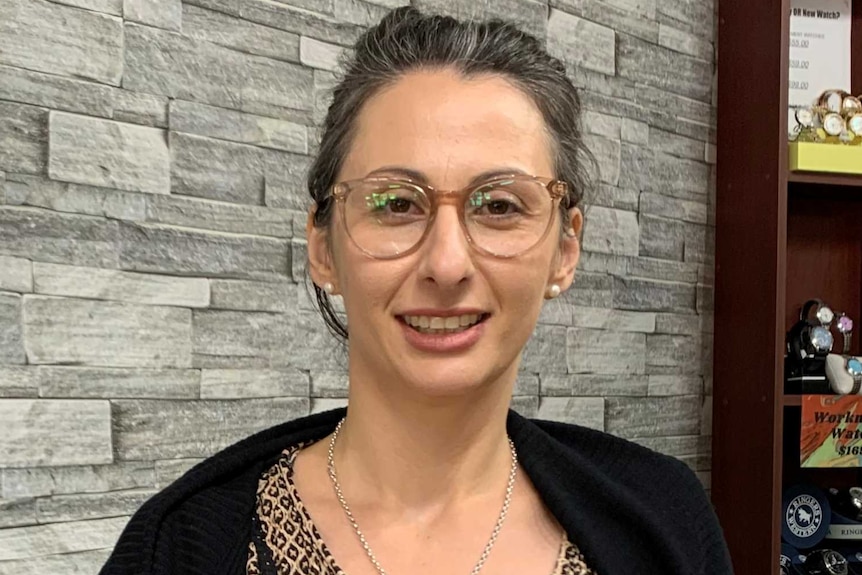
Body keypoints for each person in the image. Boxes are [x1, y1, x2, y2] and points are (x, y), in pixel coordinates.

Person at [100, 6, 732, 575]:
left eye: (501, 206)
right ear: (323, 245)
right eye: (396, 203)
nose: (448, 263)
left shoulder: (666, 523)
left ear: (564, 250)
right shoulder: (178, 549)